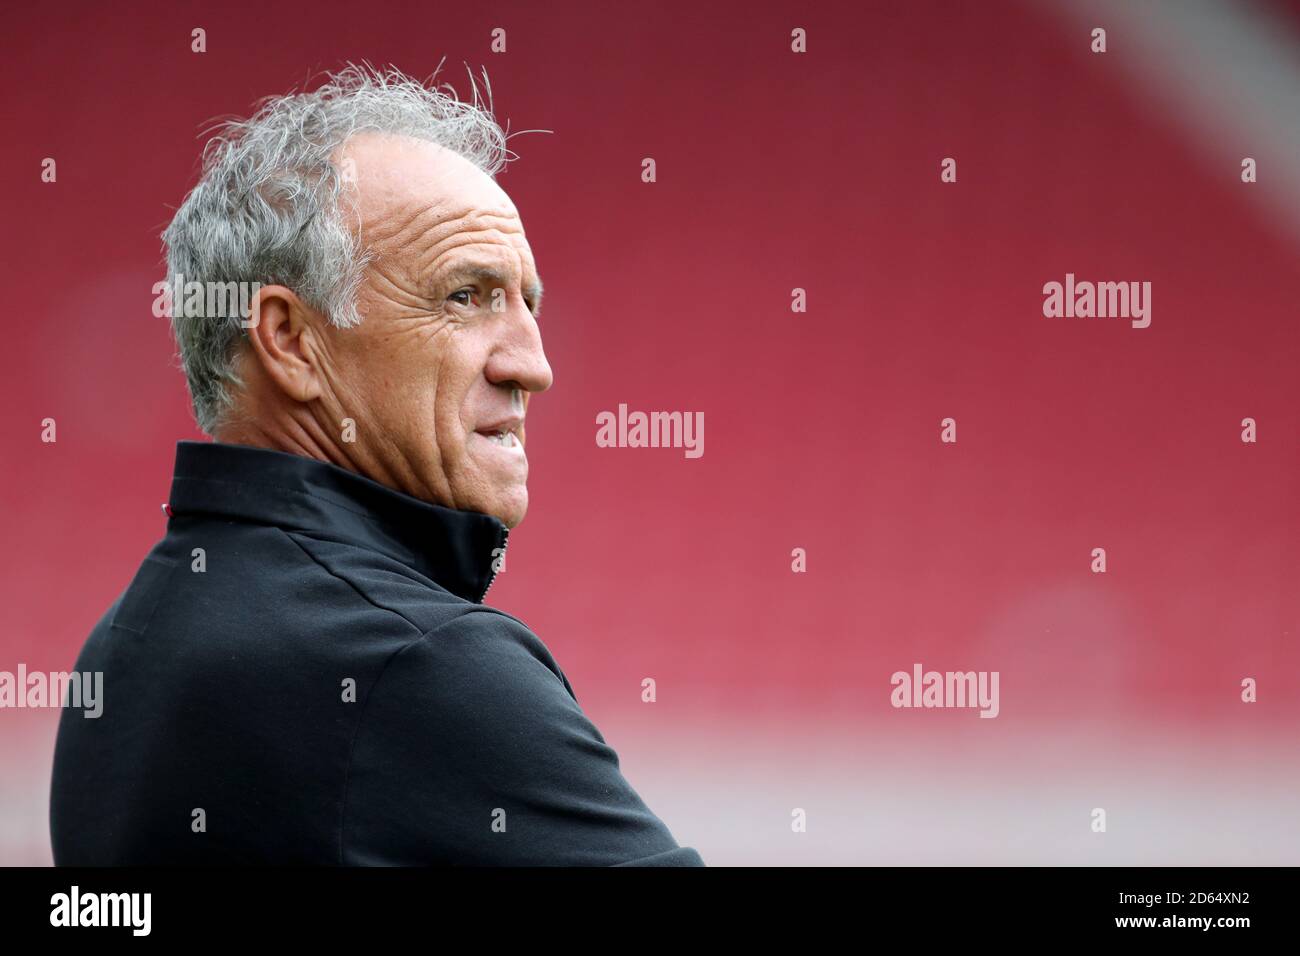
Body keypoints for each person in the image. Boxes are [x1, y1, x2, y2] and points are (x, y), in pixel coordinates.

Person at [49, 64, 703, 866]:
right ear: (291, 342)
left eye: (526, 303)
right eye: (466, 296)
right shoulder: (422, 665)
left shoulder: (118, 651)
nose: (533, 365)